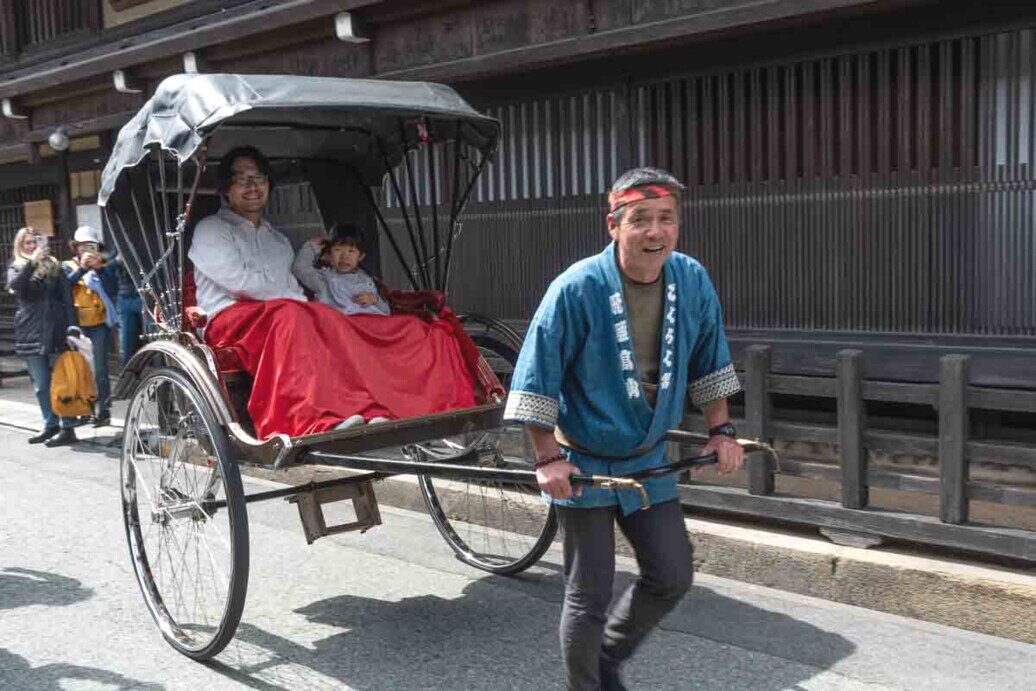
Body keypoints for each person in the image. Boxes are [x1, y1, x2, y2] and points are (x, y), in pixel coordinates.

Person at [503, 167, 745, 691]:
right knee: (588, 594)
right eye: (640, 220)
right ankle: (587, 683)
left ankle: (604, 661)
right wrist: (547, 458)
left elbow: (709, 357)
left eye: (666, 219)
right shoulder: (576, 286)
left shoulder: (691, 278)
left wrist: (721, 429)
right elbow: (536, 373)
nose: (655, 232)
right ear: (613, 225)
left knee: (672, 574)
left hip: (649, 455)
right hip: (583, 460)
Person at [188, 146, 477, 439]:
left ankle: (362, 410)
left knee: (327, 317)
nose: (253, 186)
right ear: (225, 187)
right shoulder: (211, 229)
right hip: (230, 319)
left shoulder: (277, 239)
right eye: (242, 179)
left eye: (259, 179)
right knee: (296, 316)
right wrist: (301, 306)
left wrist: (312, 309)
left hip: (278, 314)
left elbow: (292, 285)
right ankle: (307, 420)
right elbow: (240, 282)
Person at [6, 228, 78, 447]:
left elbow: (66, 296)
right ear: (20, 246)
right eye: (26, 243)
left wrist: (73, 326)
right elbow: (19, 288)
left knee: (61, 381)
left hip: (55, 328)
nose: (31, 246)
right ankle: (50, 424)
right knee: (41, 383)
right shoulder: (16, 267)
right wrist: (32, 263)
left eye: (35, 242)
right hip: (30, 329)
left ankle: (67, 427)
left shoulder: (53, 265)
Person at [61, 224, 119, 427]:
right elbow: (64, 287)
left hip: (98, 323)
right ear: (76, 247)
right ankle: (85, 409)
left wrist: (100, 269)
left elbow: (113, 288)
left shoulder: (103, 265)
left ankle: (103, 410)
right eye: (82, 246)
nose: (86, 250)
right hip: (77, 324)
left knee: (101, 369)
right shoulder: (68, 266)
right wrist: (83, 269)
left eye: (91, 245)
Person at [292, 228, 390, 317]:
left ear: (360, 257)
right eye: (338, 250)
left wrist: (375, 300)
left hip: (368, 325)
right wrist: (312, 246)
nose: (344, 257)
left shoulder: (367, 279)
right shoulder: (323, 280)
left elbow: (386, 311)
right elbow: (300, 268)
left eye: (351, 251)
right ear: (329, 255)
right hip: (341, 328)